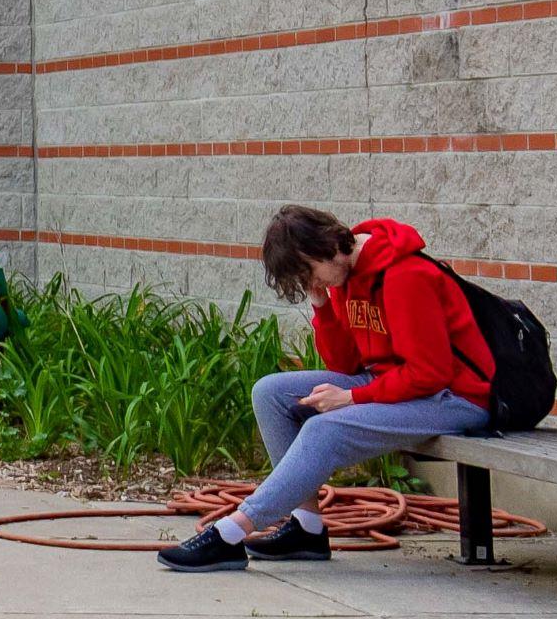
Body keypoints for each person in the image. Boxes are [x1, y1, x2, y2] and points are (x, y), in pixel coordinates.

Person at [157, 206, 494, 572]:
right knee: (270, 393)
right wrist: (322, 306)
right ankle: (307, 527)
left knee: (325, 428)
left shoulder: (404, 275)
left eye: (309, 272)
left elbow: (430, 372)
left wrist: (351, 397)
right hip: (396, 384)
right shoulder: (345, 278)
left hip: (455, 397)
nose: (312, 282)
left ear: (330, 246)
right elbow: (345, 365)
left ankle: (232, 531)